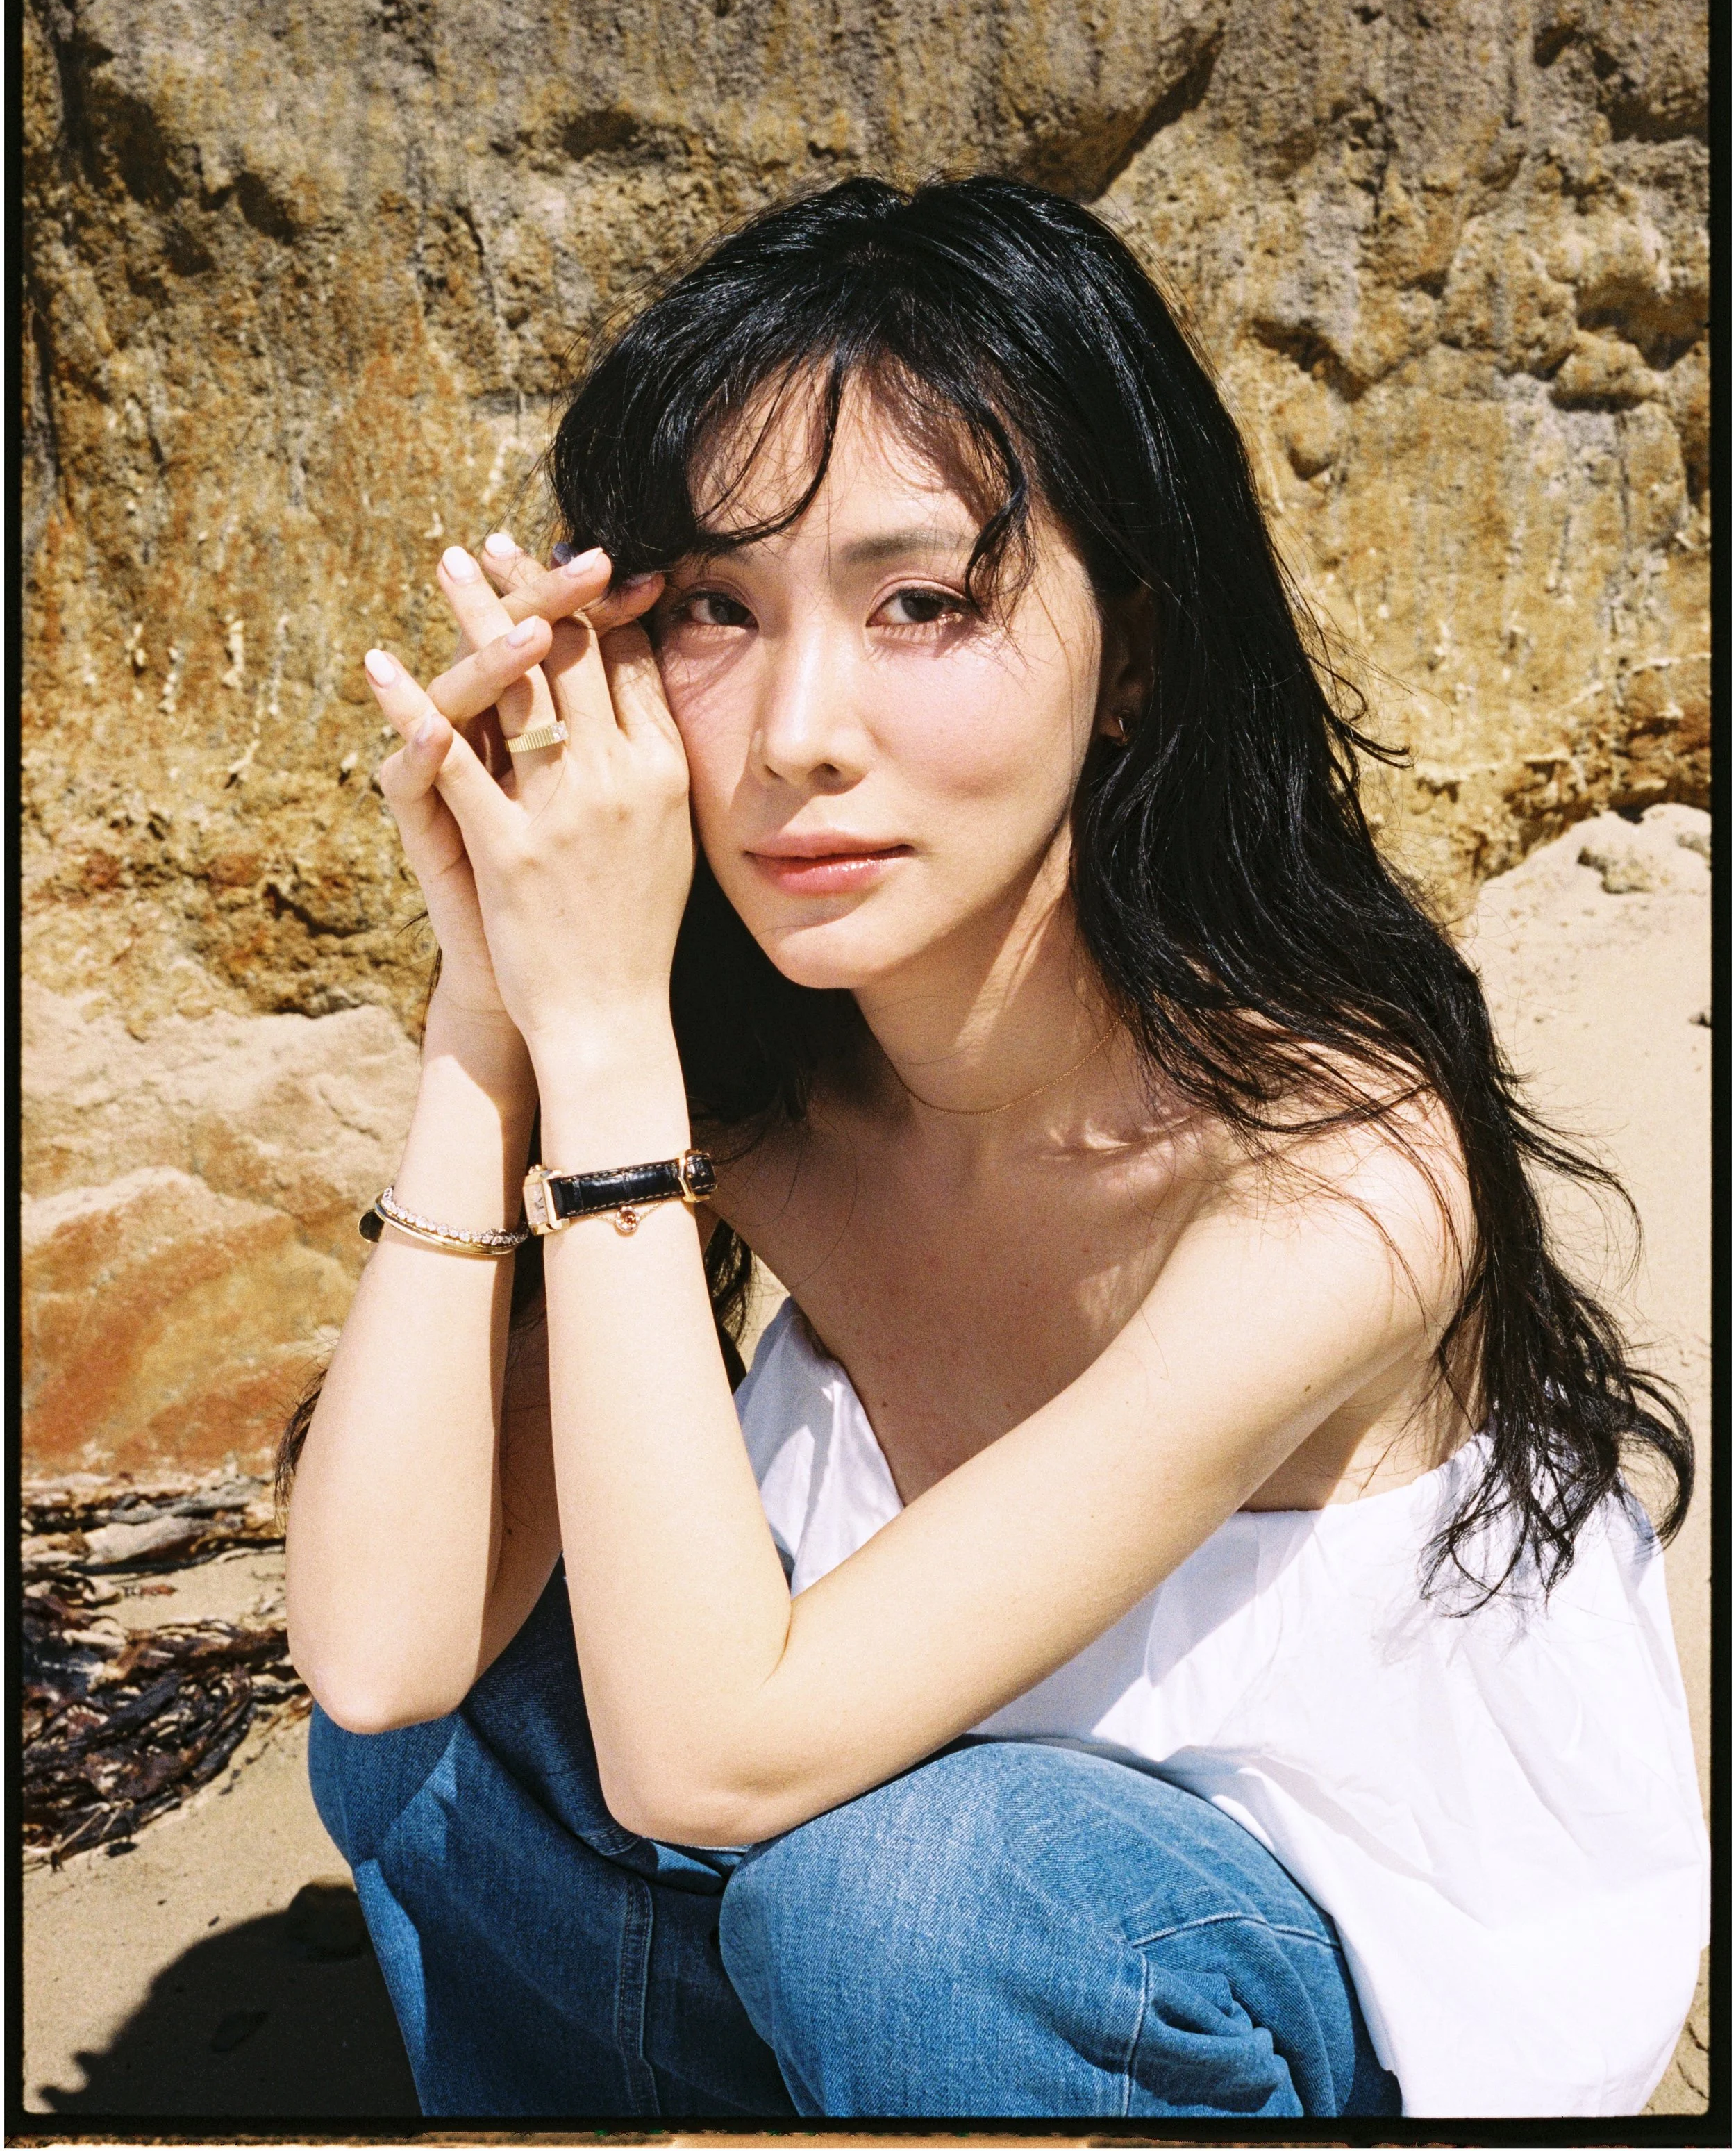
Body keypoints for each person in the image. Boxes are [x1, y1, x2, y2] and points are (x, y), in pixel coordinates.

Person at [283, 177, 1706, 2124]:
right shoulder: (755, 1067)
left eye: (922, 604)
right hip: (861, 1847)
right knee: (461, 1754)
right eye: (715, 607)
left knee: (912, 1903)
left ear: (1129, 651)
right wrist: (490, 999)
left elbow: (706, 1762)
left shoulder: (1334, 1170)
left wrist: (601, 1042)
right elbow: (378, 1662)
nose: (797, 728)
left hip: (1302, 1981)